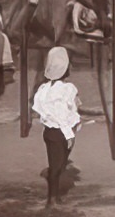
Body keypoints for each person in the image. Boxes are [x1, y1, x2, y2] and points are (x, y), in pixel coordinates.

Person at [31, 46, 80, 207]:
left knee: (57, 164)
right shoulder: (67, 90)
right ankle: (52, 198)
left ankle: (54, 196)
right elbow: (62, 115)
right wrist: (69, 135)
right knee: (57, 166)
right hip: (61, 131)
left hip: (49, 131)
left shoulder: (44, 90)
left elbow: (39, 109)